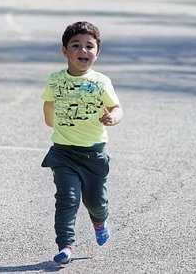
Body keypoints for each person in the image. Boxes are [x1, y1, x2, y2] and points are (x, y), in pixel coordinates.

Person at [41, 21, 123, 265]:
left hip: (94, 154)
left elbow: (117, 107)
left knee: (96, 202)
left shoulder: (101, 82)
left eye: (89, 46)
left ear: (97, 52)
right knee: (68, 198)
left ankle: (99, 221)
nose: (83, 51)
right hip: (63, 152)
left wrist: (113, 117)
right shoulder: (55, 80)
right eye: (75, 45)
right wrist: (51, 121)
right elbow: (48, 103)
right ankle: (65, 245)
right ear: (64, 50)